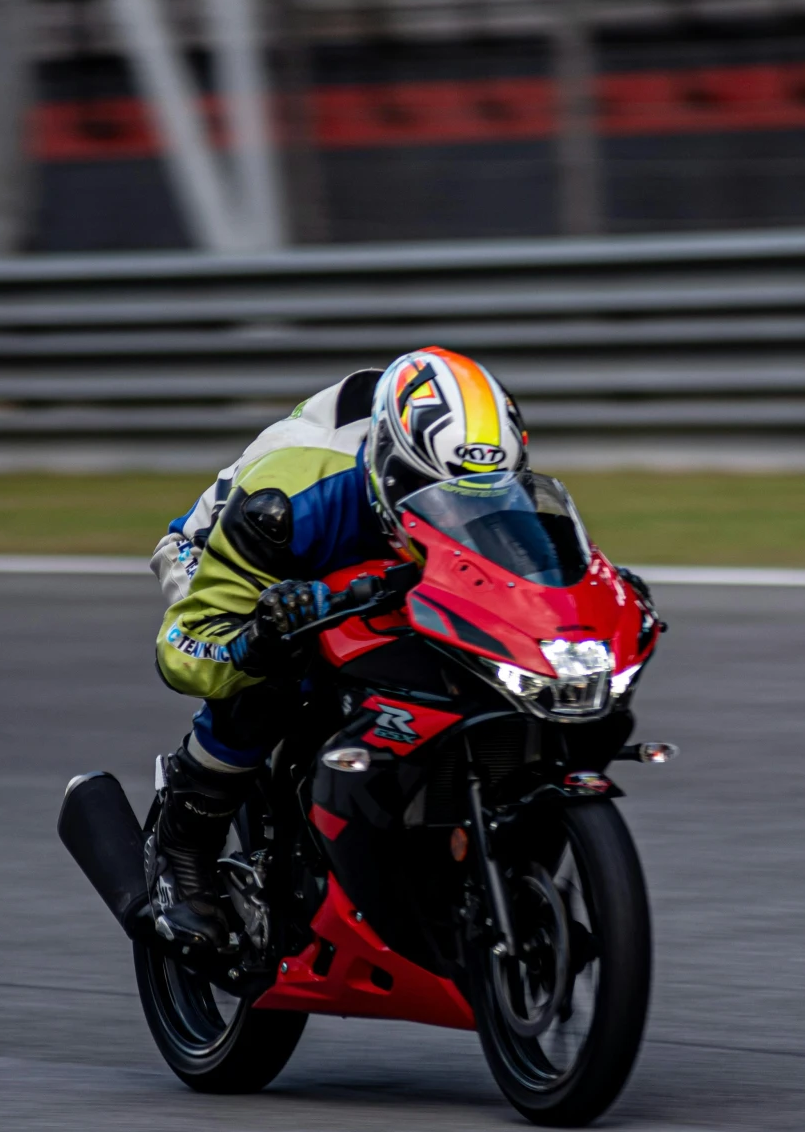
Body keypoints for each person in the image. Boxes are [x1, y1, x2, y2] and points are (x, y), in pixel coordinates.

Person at [142, 346, 530, 952]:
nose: (462, 507)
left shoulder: (481, 466)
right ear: (389, 464)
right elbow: (182, 648)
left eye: (482, 493)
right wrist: (259, 637)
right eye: (436, 490)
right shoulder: (290, 499)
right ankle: (182, 841)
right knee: (276, 664)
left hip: (375, 549)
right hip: (231, 553)